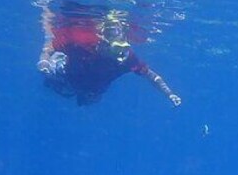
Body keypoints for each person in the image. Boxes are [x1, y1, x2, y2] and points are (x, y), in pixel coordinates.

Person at [37, 10, 182, 107]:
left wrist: (169, 94)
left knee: (86, 99)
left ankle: (85, 95)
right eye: (109, 33)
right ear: (101, 36)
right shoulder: (82, 43)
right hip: (65, 76)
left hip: (91, 91)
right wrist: (44, 61)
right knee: (54, 79)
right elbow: (52, 45)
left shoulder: (126, 57)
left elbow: (151, 75)